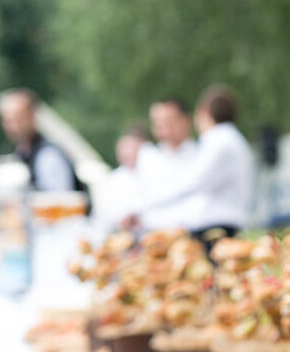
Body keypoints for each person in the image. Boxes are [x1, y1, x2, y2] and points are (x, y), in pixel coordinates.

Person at [137, 85, 253, 247]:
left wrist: (142, 206)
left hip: (216, 227)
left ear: (205, 112)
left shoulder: (218, 140)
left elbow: (192, 182)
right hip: (224, 224)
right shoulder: (231, 139)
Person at [131, 97, 200, 231]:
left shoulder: (202, 154)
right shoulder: (148, 156)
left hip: (191, 232)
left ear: (186, 120)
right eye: (158, 124)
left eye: (169, 123)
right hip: (153, 234)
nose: (164, 130)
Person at [0, 88, 83, 192]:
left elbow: (60, 201)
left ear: (33, 116)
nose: (14, 126)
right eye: (8, 121)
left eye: (19, 119)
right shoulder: (21, 152)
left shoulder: (48, 155)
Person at [96, 128, 149, 231]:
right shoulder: (114, 178)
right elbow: (103, 214)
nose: (126, 152)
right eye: (123, 148)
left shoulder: (154, 174)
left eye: (132, 147)